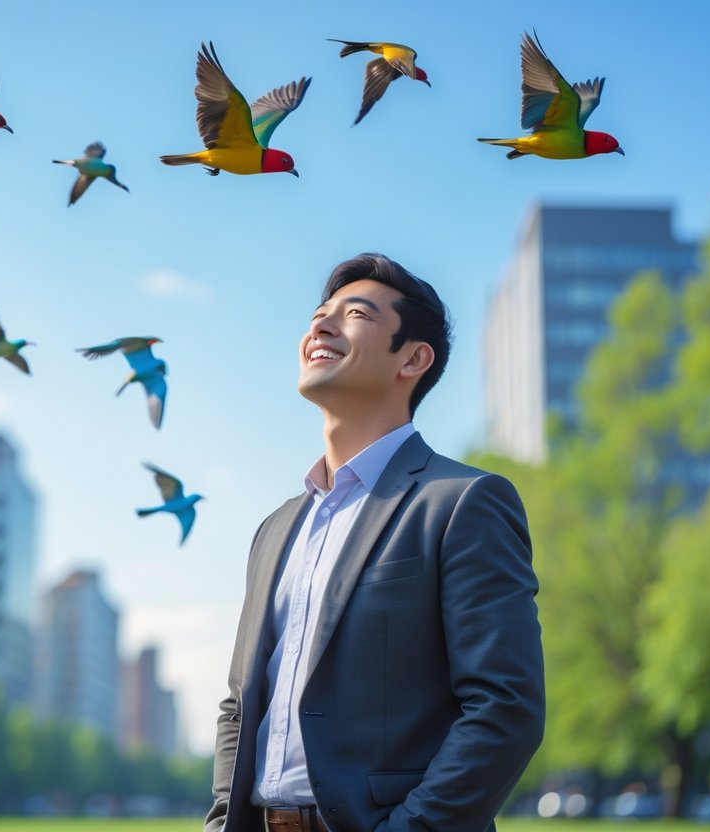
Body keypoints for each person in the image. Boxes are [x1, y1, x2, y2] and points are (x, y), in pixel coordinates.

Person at [205, 253, 545, 832]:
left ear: (413, 358)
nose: (321, 326)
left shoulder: (462, 501)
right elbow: (239, 705)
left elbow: (505, 708)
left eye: (354, 313)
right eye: (319, 314)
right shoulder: (275, 530)